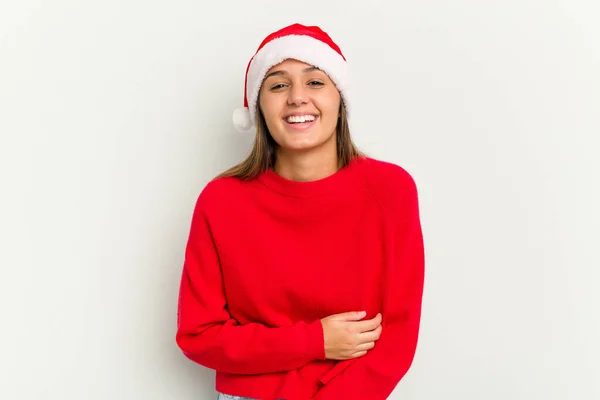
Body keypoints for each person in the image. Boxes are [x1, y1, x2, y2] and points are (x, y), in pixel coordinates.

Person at [175, 23, 425, 400]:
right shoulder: (221, 201)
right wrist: (316, 341)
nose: (296, 98)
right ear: (257, 106)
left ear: (339, 97)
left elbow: (398, 336)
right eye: (277, 85)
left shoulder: (390, 191)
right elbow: (198, 335)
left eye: (314, 82)